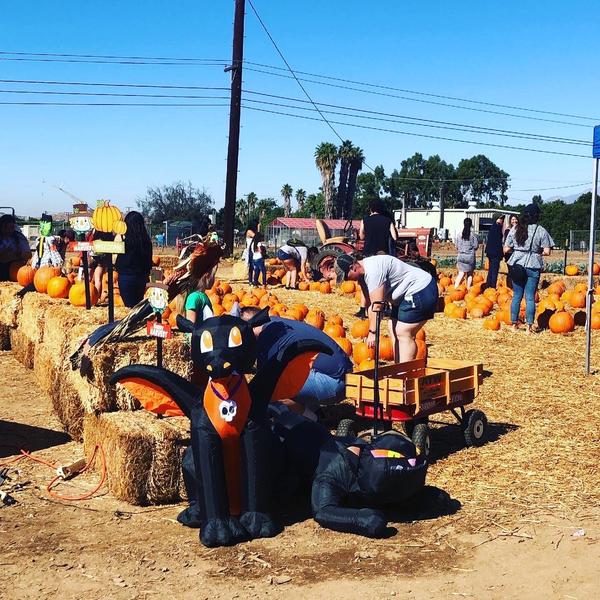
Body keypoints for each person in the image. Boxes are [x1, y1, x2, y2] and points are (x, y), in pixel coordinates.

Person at [240, 306, 353, 420]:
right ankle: (313, 409)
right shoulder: (275, 322)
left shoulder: (267, 336)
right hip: (346, 376)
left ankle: (313, 419)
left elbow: (264, 381)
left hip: (335, 382)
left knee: (272, 390)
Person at [336, 253, 437, 362]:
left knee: (403, 332)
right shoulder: (363, 275)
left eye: (346, 276)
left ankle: (405, 374)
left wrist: (372, 333)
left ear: (353, 268)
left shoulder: (373, 271)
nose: (347, 280)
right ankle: (398, 367)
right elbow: (370, 304)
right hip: (405, 295)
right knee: (392, 326)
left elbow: (377, 305)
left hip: (421, 289)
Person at [504, 204, 554, 333]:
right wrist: (536, 252)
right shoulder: (541, 230)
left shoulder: (515, 229)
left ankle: (514, 325)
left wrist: (518, 250)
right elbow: (547, 251)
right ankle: (529, 326)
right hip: (533, 264)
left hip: (517, 264)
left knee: (516, 296)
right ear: (537, 216)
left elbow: (506, 248)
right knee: (530, 297)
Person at [115, 211, 153, 307]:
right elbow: (149, 262)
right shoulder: (146, 242)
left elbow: (119, 261)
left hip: (126, 277)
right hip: (141, 277)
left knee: (129, 307)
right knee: (137, 305)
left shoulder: (125, 242)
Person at [0, 214, 32, 280]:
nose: (9, 230)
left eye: (11, 227)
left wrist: (18, 254)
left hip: (15, 268)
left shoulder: (19, 237)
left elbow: (28, 255)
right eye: (6, 227)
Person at [454, 218, 479, 289]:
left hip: (461, 256)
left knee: (461, 273)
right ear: (471, 225)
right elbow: (476, 246)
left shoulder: (459, 235)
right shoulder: (473, 235)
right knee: (470, 274)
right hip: (470, 257)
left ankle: (455, 287)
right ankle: (468, 289)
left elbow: (456, 246)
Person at [485, 214, 505, 289]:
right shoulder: (497, 227)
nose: (501, 220)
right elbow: (498, 242)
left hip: (491, 252)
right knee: (494, 271)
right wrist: (501, 254)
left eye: (502, 219)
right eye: (500, 218)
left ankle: (488, 286)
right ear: (496, 219)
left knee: (491, 270)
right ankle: (492, 287)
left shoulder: (493, 226)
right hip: (495, 253)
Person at [245, 219, 259, 285]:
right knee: (252, 265)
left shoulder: (254, 231)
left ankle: (255, 279)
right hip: (251, 250)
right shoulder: (249, 231)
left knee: (256, 265)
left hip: (255, 250)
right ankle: (251, 280)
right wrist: (259, 229)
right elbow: (257, 237)